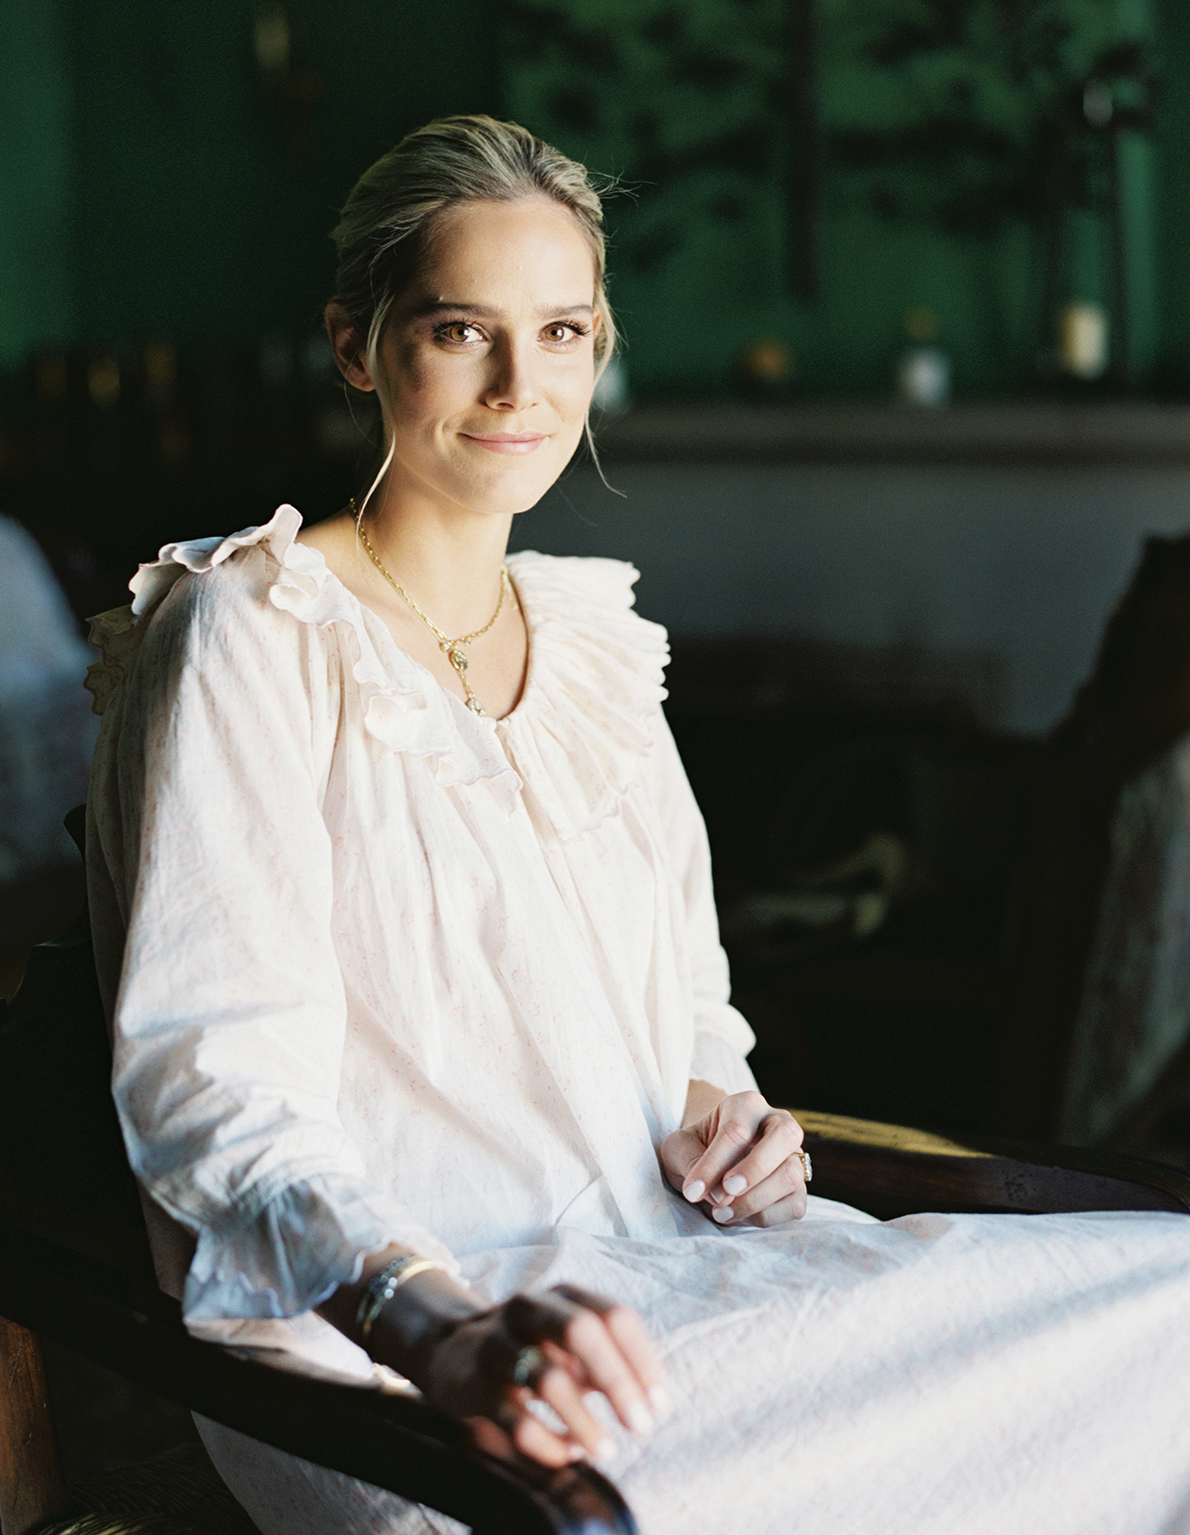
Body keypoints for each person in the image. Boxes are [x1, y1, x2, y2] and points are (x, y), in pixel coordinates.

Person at [87, 116, 1190, 1535]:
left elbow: (682, 1016)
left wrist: (732, 1125)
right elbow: (213, 1089)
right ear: (357, 347)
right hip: (399, 1349)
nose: (517, 385)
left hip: (669, 1262)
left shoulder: (592, 640)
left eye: (560, 332)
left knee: (1168, 1300)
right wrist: (439, 1330)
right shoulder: (256, 628)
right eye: (457, 330)